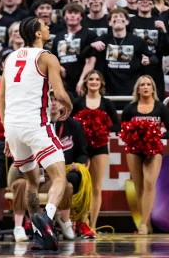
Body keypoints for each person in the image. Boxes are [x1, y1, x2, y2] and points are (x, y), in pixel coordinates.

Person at [0, 16, 73, 251]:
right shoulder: (47, 57)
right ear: (38, 34)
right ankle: (48, 217)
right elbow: (59, 94)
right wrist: (68, 106)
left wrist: (7, 133)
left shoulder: (10, 58)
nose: (49, 26)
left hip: (12, 126)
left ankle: (38, 234)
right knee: (60, 176)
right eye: (45, 25)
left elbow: (1, 99)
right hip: (35, 123)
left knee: (32, 180)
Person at [122, 75, 169, 235]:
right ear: (138, 88)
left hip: (154, 150)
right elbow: (122, 129)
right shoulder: (130, 108)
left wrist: (158, 135)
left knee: (150, 183)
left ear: (153, 88)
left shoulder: (160, 108)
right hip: (134, 151)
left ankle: (143, 224)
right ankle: (146, 223)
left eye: (148, 84)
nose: (145, 87)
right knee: (139, 186)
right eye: (142, 84)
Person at [71, 70, 119, 237]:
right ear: (85, 82)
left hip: (100, 147)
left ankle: (92, 225)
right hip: (81, 149)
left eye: (97, 79)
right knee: (84, 186)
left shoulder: (107, 103)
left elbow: (117, 125)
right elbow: (70, 123)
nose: (94, 82)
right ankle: (81, 223)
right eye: (90, 79)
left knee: (96, 187)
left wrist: (100, 127)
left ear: (101, 83)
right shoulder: (77, 103)